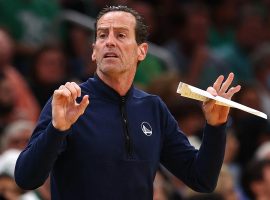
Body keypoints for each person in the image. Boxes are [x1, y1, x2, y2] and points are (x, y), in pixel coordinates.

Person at [14, 5, 241, 200]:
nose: (109, 42)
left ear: (141, 51)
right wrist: (57, 129)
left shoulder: (153, 108)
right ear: (93, 51)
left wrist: (216, 126)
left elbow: (202, 180)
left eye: (121, 35)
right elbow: (26, 178)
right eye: (102, 35)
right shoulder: (69, 102)